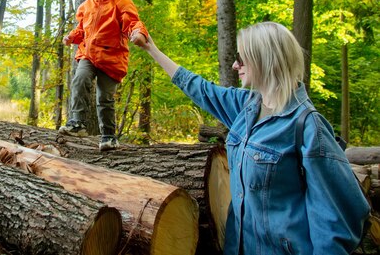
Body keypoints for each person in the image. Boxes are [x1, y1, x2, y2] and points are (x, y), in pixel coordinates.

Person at [135, 21, 369, 254]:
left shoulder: (308, 126)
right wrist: (152, 50)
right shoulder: (246, 106)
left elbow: (339, 217)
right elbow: (200, 89)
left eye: (241, 57)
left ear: (265, 58)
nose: (236, 65)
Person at [58, 0, 148, 151]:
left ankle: (108, 136)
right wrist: (71, 37)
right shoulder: (86, 5)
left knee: (105, 98)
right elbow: (83, 29)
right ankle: (77, 122)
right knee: (80, 79)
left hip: (111, 58)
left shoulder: (121, 1)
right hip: (88, 54)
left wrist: (138, 33)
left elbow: (132, 21)